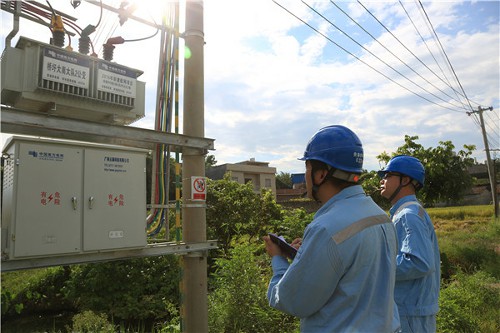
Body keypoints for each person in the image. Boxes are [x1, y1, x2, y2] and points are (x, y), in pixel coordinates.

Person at [263, 125, 400, 332]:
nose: (306, 176)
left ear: (320, 175)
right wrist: (307, 257)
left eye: (308, 168)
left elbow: (293, 301)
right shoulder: (380, 216)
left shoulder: (326, 228)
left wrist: (278, 259)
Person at [378, 155, 440, 333]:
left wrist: (377, 266)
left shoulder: (408, 215)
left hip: (411, 314)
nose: (383, 180)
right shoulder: (406, 212)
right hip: (410, 311)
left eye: (388, 175)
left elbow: (419, 262)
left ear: (405, 180)